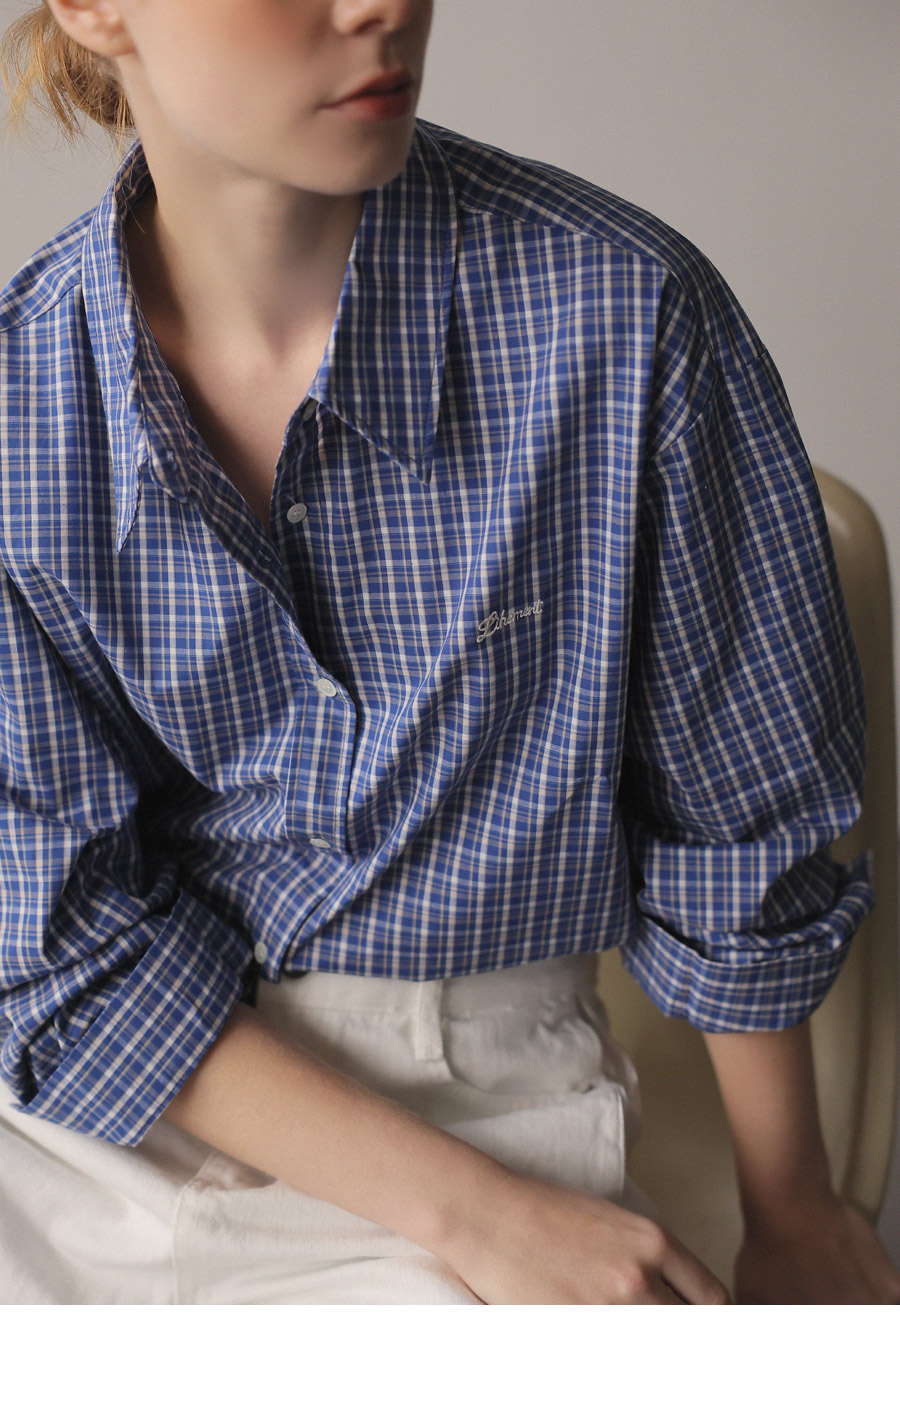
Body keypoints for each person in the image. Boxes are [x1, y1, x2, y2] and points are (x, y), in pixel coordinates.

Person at [0, 0, 898, 1307]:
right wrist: (469, 1214)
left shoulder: (623, 313)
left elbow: (737, 838)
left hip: (491, 1090)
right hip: (85, 1116)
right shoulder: (19, 402)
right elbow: (59, 943)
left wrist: (795, 1214)